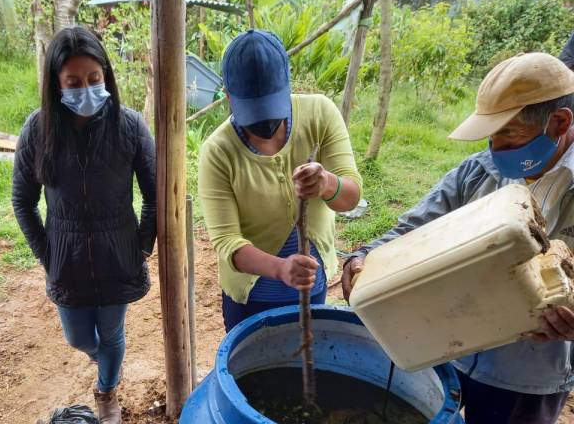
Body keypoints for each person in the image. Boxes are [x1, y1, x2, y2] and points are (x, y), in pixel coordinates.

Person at [341, 53, 574, 424]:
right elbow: (412, 228)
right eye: (491, 137)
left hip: (526, 377)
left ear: (559, 122)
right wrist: (363, 258)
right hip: (451, 345)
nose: (496, 151)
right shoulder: (476, 173)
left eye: (509, 135)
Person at [12, 27, 156, 424]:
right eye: (74, 82)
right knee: (78, 337)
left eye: (95, 79)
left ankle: (106, 391)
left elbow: (155, 193)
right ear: (56, 85)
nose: (87, 89)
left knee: (111, 333)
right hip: (67, 261)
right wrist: (48, 253)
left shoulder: (129, 127)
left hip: (118, 256)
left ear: (106, 76)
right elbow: (22, 201)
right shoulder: (37, 130)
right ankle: (105, 360)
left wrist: (142, 245)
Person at [198, 30, 362, 333]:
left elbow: (350, 197)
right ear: (229, 97)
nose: (266, 126)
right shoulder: (217, 151)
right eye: (252, 114)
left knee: (307, 352)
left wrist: (326, 184)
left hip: (311, 287)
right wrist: (280, 268)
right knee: (251, 374)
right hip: (251, 296)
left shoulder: (319, 115)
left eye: (272, 109)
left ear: (288, 87)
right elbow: (227, 242)